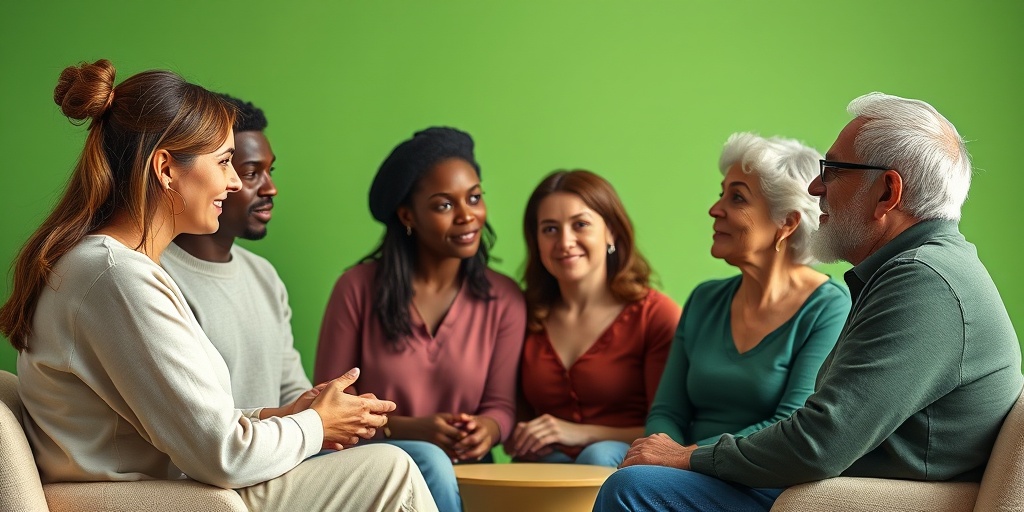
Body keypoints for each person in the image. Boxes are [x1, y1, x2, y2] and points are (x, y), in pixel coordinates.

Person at [0, 59, 437, 512]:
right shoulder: (115, 277)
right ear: (166, 169)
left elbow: (193, 427)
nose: (232, 181)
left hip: (178, 491)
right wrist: (315, 426)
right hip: (170, 500)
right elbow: (222, 455)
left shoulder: (105, 268)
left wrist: (286, 415)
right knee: (393, 469)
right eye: (225, 162)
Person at [595, 93, 1024, 512]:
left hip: (851, 494)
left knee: (634, 489)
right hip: (832, 485)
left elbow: (819, 443)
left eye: (833, 170)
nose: (816, 186)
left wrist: (688, 457)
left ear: (887, 193)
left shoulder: (923, 281)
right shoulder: (920, 270)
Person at [315, 127, 527, 512]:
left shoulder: (505, 298)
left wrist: (487, 429)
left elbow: (501, 405)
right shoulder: (356, 288)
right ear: (407, 215)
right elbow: (331, 401)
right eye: (444, 205)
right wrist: (407, 428)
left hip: (471, 473)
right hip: (376, 470)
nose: (467, 215)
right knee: (429, 459)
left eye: (474, 198)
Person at [643, 133, 850, 451]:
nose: (715, 209)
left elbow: (791, 421)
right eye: (721, 194)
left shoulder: (828, 307)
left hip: (751, 469)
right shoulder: (704, 300)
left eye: (737, 198)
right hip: (678, 462)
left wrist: (683, 457)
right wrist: (660, 454)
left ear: (787, 223)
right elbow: (666, 412)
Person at [504, 169, 681, 467]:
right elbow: (510, 415)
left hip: (624, 468)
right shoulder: (522, 313)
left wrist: (580, 434)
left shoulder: (655, 315)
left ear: (611, 231)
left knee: (597, 455)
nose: (565, 241)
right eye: (550, 229)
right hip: (544, 469)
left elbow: (669, 432)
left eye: (580, 225)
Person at [161, 94, 312, 410]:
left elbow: (292, 390)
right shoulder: (156, 277)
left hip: (279, 439)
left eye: (270, 171)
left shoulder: (264, 276)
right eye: (251, 173)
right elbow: (199, 424)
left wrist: (325, 408)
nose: (271, 188)